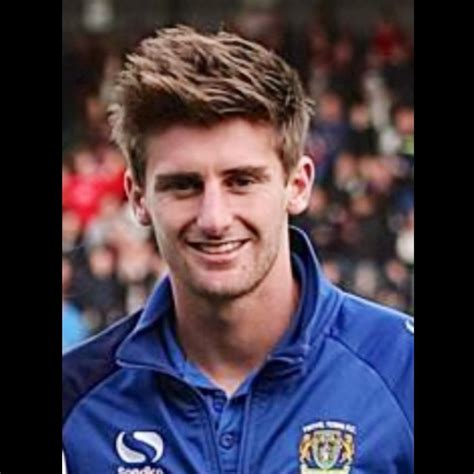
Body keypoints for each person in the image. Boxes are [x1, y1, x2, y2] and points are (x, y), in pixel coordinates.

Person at [62, 25, 413, 474]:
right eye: (183, 185)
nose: (214, 218)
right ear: (137, 198)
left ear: (298, 185)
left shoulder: (402, 369)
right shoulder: (76, 397)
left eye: (242, 181)